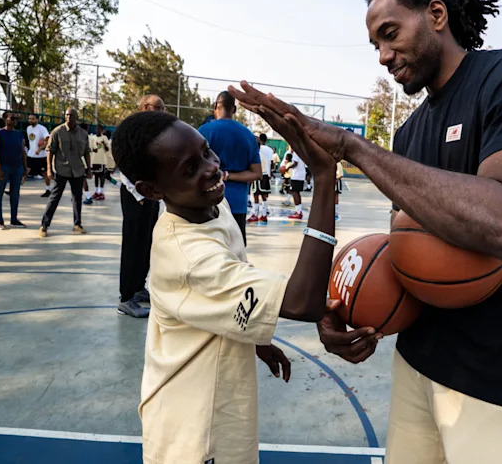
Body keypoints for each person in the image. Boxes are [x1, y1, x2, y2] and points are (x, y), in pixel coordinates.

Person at [230, 0, 502, 463]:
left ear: (436, 14)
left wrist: (356, 148)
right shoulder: (409, 134)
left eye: (390, 35)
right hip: (422, 360)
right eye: (374, 44)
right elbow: (412, 246)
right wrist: (347, 306)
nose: (383, 55)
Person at [111, 109, 336, 463]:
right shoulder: (187, 256)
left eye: (206, 151)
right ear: (151, 190)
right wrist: (324, 180)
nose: (211, 167)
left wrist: (257, 338)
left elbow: (234, 286)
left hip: (219, 412)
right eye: (190, 168)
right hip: (194, 430)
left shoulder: (210, 208)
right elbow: (302, 302)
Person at [116, 94, 168, 319]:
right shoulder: (131, 129)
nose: (162, 112)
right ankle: (126, 297)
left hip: (151, 195)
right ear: (146, 107)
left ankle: (138, 286)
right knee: (133, 243)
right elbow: (123, 163)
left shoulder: (154, 133)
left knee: (147, 241)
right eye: (159, 107)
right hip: (134, 194)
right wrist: (138, 193)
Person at [197, 91, 262, 243]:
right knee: (236, 251)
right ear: (234, 109)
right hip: (237, 205)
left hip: (208, 204)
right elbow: (257, 173)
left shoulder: (203, 132)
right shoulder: (248, 135)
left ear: (215, 107)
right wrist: (228, 175)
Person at [39, 107, 91, 238]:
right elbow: (50, 150)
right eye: (67, 115)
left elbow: (86, 152)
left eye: (71, 115)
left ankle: (77, 224)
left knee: (77, 198)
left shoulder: (83, 134)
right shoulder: (57, 131)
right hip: (61, 169)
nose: (68, 117)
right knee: (54, 197)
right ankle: (44, 225)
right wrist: (49, 169)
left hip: (78, 170)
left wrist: (88, 169)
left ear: (76, 118)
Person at [0, 111, 29, 229]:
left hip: (17, 167)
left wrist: (24, 167)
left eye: (16, 119)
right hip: (3, 167)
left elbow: (22, 151)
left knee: (15, 194)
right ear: (5, 119)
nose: (14, 121)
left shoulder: (19, 134)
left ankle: (14, 219)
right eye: (12, 118)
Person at [248, 133, 276, 225]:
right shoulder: (268, 151)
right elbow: (271, 162)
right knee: (264, 196)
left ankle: (255, 214)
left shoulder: (256, 155)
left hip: (259, 175)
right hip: (266, 175)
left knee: (256, 195)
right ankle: (263, 214)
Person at [26, 114, 51, 196]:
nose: (30, 120)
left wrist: (40, 149)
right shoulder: (28, 128)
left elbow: (48, 140)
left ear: (37, 120)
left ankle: (48, 189)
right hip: (31, 154)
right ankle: (14, 190)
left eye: (33, 119)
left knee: (44, 173)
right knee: (25, 172)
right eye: (29, 119)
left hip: (41, 156)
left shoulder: (42, 129)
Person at [90, 128, 111, 200]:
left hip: (102, 160)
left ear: (101, 130)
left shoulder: (104, 138)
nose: (97, 130)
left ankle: (101, 192)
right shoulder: (93, 138)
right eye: (97, 129)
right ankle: (96, 191)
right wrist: (93, 149)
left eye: (99, 129)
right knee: (96, 176)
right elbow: (91, 148)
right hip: (94, 160)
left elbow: (107, 149)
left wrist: (103, 143)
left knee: (102, 176)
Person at [286, 150, 307, 220]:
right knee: (297, 193)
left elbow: (295, 163)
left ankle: (298, 212)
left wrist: (288, 167)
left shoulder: (296, 153)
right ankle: (299, 211)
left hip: (296, 176)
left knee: (295, 193)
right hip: (301, 175)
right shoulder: (302, 152)